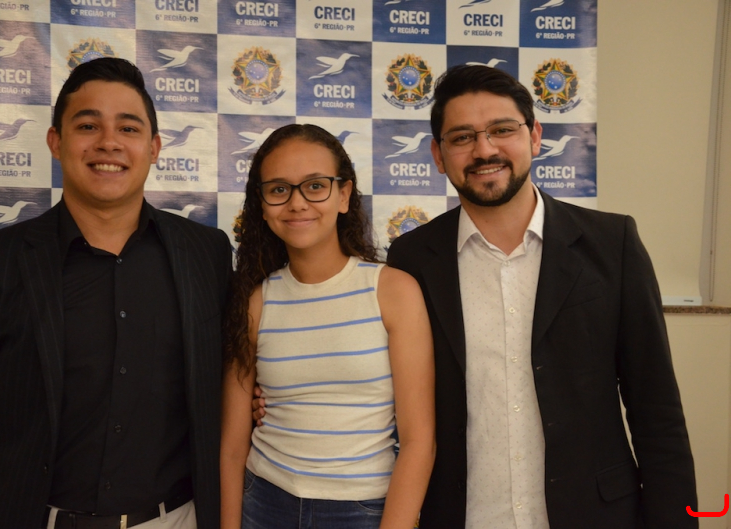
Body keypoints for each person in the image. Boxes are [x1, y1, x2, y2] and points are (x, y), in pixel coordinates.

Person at [385, 65, 698, 527]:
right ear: (438, 154)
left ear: (534, 136)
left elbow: (658, 413)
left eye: (502, 130)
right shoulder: (411, 259)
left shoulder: (612, 244)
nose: (484, 149)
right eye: (462, 137)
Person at [0, 58, 232, 529]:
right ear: (56, 141)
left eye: (128, 128)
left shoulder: (207, 253)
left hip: (178, 519)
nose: (109, 142)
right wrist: (25, 450)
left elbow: (223, 378)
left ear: (154, 148)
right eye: (88, 125)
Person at [220, 124, 435, 529]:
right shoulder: (256, 300)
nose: (297, 203)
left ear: (344, 195)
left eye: (315, 186)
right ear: (262, 205)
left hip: (361, 511)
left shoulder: (393, 291)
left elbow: (419, 441)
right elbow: (232, 447)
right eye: (279, 189)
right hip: (264, 502)